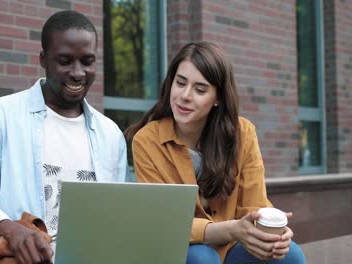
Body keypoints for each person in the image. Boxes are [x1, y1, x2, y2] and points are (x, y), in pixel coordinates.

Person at [0, 10, 127, 264]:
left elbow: (116, 213)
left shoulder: (110, 134)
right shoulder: (2, 115)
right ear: (43, 60)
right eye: (65, 61)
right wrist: (12, 230)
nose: (78, 73)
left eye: (87, 61)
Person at [125, 42, 306, 264]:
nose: (185, 96)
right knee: (202, 258)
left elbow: (255, 205)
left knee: (290, 254)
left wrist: (276, 233)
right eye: (180, 83)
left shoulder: (243, 133)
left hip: (232, 250)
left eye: (200, 89)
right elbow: (163, 221)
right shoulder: (147, 141)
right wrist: (231, 230)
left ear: (218, 99)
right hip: (181, 250)